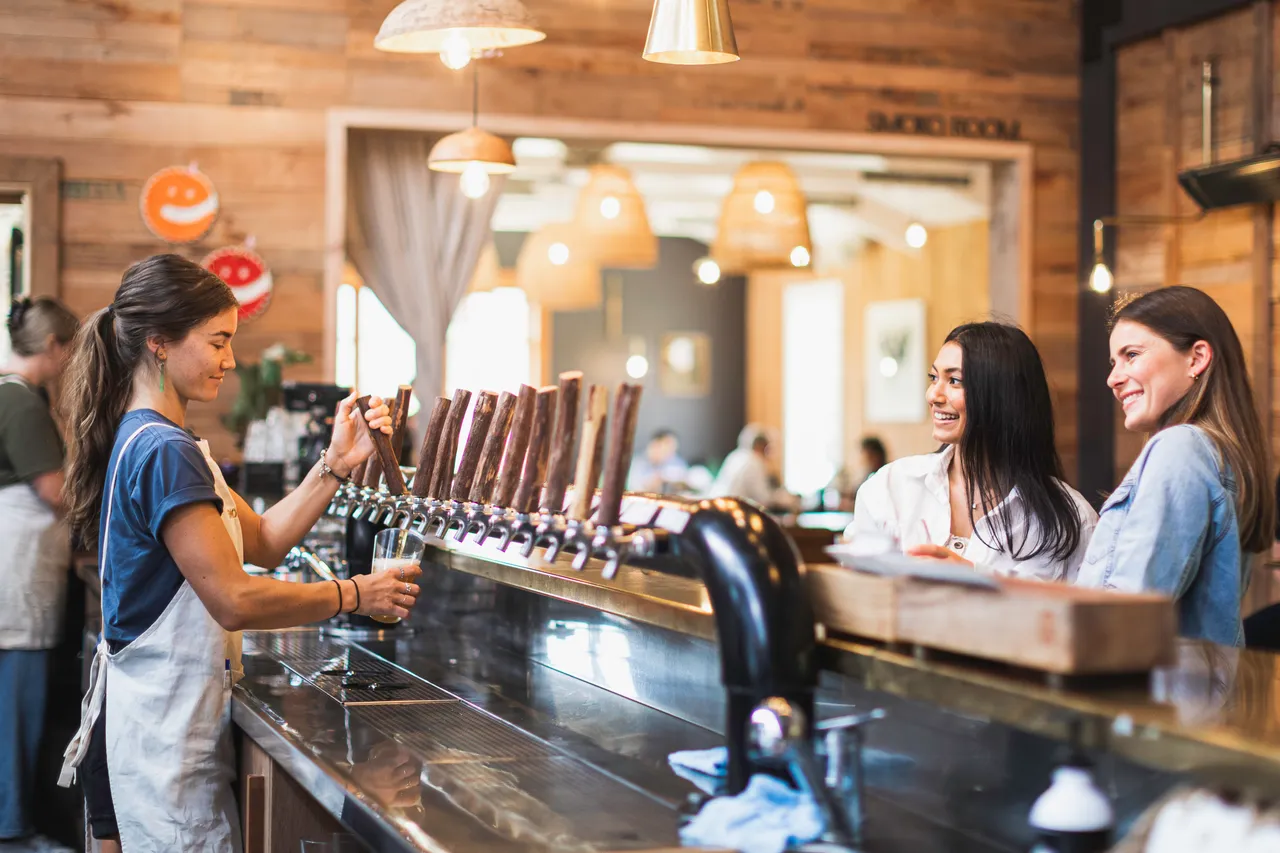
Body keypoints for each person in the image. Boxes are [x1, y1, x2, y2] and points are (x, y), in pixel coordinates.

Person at [54, 254, 422, 853]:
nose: (230, 359)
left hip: (160, 727)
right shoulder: (164, 452)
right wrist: (354, 594)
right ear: (160, 343)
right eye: (218, 341)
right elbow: (233, 596)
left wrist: (335, 465)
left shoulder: (166, 442)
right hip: (164, 740)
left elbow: (266, 541)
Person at [1076, 286, 1272, 647]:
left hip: (1150, 698)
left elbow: (1127, 615)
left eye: (1131, 355)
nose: (1113, 378)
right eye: (1113, 362)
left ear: (1196, 358)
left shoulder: (1180, 448)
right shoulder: (1220, 454)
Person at [847, 322, 1096, 582]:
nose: (933, 395)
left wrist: (976, 577)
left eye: (954, 381)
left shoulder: (1071, 521)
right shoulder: (890, 488)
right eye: (934, 378)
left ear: (1002, 397)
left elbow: (1088, 617)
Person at [0, 297, 78, 853]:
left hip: (21, 568)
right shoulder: (21, 401)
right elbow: (53, 492)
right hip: (16, 570)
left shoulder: (19, 395)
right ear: (53, 347)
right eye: (70, 348)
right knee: (16, 704)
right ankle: (13, 828)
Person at [707, 424, 799, 512]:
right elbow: (763, 499)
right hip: (734, 512)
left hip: (719, 508)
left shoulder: (735, 456)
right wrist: (786, 500)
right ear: (761, 445)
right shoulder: (754, 462)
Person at [628, 428, 689, 494]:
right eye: (667, 447)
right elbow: (633, 489)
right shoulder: (638, 463)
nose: (670, 452)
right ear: (655, 444)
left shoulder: (676, 461)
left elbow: (684, 478)